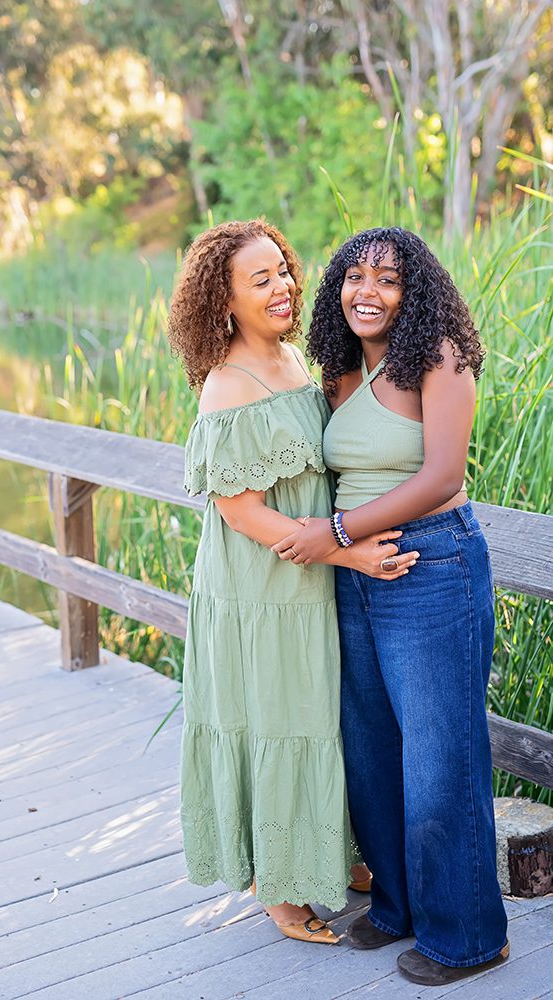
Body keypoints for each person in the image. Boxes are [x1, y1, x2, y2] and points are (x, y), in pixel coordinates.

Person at [167, 219, 419, 944]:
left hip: (306, 580)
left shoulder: (293, 361)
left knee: (317, 719)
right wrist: (348, 554)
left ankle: (328, 857)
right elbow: (239, 511)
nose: (281, 286)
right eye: (260, 279)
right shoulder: (226, 384)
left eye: (282, 269)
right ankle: (278, 886)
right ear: (224, 299)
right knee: (276, 721)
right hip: (258, 590)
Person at [272, 227, 509, 984]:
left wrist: (336, 530)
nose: (366, 292)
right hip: (355, 575)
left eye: (387, 280)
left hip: (429, 565)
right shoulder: (343, 371)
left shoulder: (440, 356)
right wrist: (340, 548)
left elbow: (442, 476)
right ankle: (397, 908)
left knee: (440, 760)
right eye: (354, 276)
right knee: (370, 751)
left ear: (416, 294)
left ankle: (468, 937)